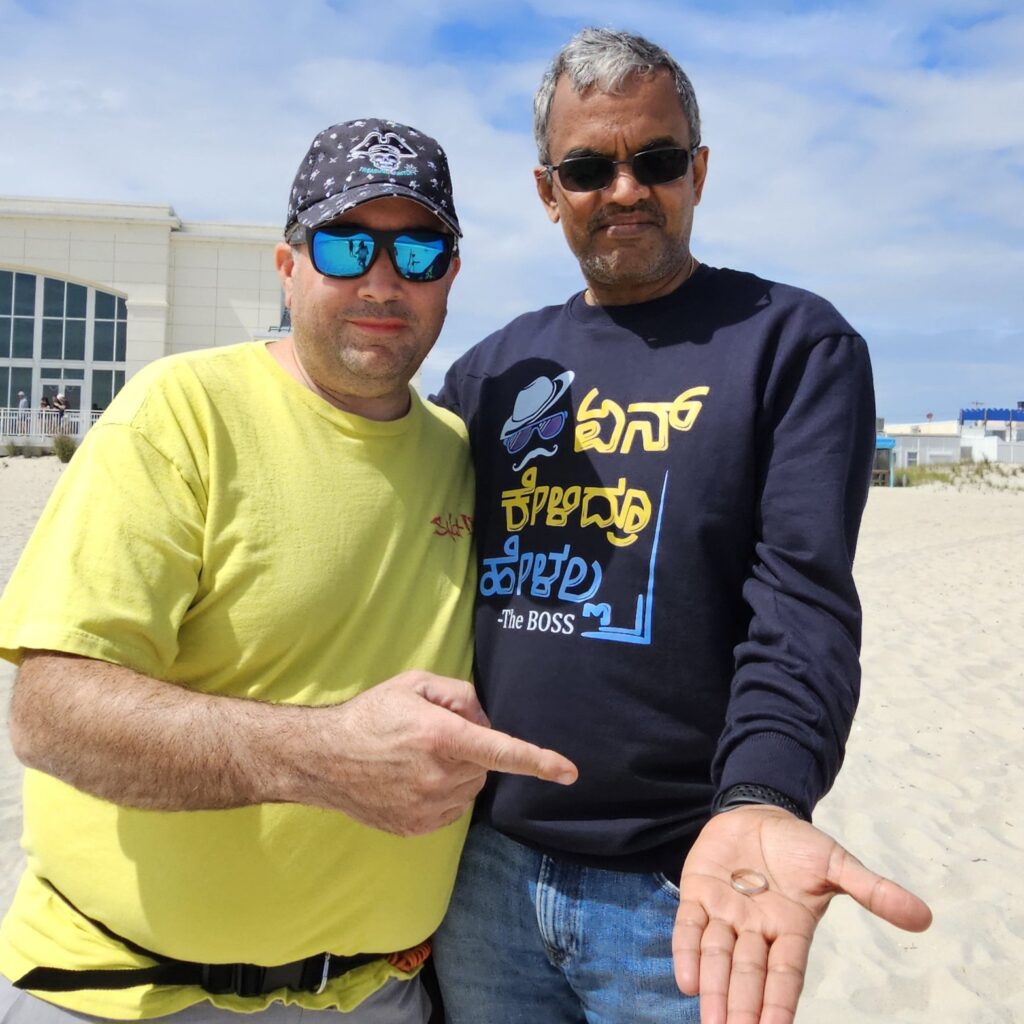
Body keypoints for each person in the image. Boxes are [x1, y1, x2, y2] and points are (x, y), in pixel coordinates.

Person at [0, 117, 575, 1024]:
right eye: (347, 244)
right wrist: (325, 757)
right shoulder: (181, 412)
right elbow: (49, 712)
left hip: (377, 995)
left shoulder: (465, 453)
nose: (382, 280)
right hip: (128, 995)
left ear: (451, 277)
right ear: (289, 264)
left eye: (419, 251)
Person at [431, 28, 932, 1024]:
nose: (623, 190)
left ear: (696, 171)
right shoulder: (489, 374)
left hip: (680, 885)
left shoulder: (791, 345)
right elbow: (420, 593)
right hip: (479, 876)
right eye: (587, 168)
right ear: (547, 190)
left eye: (654, 161)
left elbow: (801, 600)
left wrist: (763, 796)